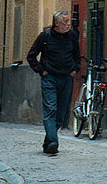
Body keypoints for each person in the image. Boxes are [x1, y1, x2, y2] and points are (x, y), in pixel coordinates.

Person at [26, 10, 81, 155]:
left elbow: (77, 55)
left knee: (61, 114)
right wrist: (41, 70)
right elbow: (31, 56)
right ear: (57, 23)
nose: (69, 24)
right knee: (50, 109)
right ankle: (53, 142)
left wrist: (75, 69)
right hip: (50, 77)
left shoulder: (72, 36)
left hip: (66, 77)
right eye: (65, 21)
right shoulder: (45, 36)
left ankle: (48, 140)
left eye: (69, 21)